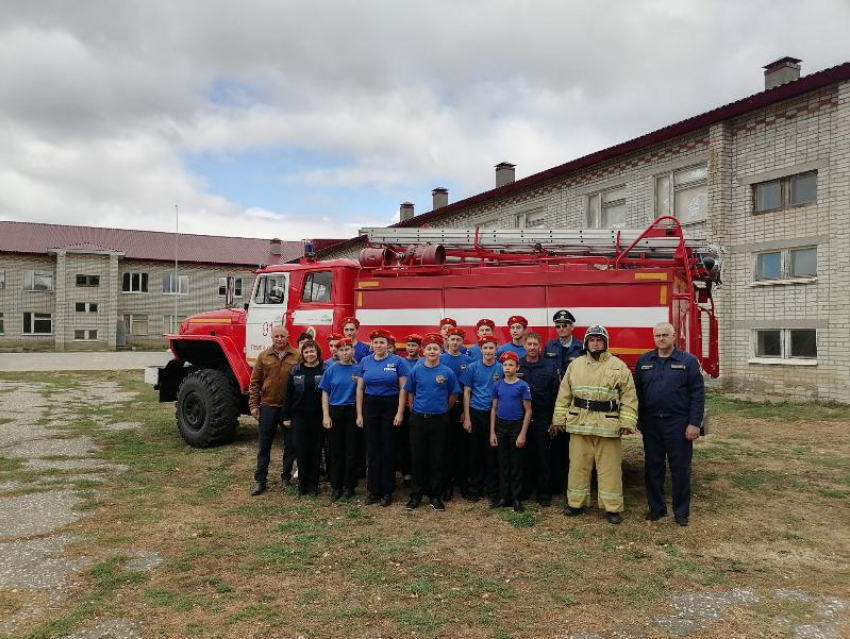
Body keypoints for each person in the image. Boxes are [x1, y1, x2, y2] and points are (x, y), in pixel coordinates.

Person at [552, 325, 638, 524]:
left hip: (607, 427)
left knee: (610, 469)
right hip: (579, 424)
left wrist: (627, 421)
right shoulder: (576, 365)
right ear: (586, 343)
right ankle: (575, 503)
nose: (595, 343)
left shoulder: (618, 366)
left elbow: (629, 396)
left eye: (599, 340)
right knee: (577, 467)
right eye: (592, 340)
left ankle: (612, 508)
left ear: (605, 343)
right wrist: (558, 420)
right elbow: (564, 394)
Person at [634, 322, 705, 527]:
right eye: (658, 335)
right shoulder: (644, 361)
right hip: (652, 423)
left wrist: (694, 423)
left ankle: (681, 512)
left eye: (666, 335)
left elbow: (697, 395)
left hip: (679, 423)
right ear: (653, 338)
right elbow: (637, 393)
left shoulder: (688, 361)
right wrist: (638, 419)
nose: (662, 338)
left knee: (680, 469)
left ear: (674, 337)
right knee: (653, 468)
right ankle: (656, 509)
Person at [404, 333, 461, 511]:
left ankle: (435, 496)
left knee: (437, 459)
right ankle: (416, 495)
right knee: (418, 458)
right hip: (419, 419)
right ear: (424, 350)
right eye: (429, 348)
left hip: (439, 419)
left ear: (440, 350)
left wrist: (444, 409)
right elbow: (410, 392)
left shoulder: (447, 372)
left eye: (435, 348)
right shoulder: (416, 370)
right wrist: (414, 409)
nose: (432, 351)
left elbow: (453, 395)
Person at [356, 328, 410, 506]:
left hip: (390, 405)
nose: (379, 345)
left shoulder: (397, 361)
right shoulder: (365, 361)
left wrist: (400, 412)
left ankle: (387, 491)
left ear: (388, 345)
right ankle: (373, 490)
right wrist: (359, 413)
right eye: (376, 342)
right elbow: (360, 389)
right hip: (370, 406)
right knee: (372, 449)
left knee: (388, 449)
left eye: (382, 342)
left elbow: (403, 388)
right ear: (372, 345)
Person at [248, 325, 300, 496]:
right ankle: (260, 480)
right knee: (264, 445)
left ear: (288, 337)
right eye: (276, 336)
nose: (279, 339)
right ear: (272, 337)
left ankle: (286, 477)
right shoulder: (264, 357)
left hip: (289, 408)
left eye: (282, 336)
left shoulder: (297, 356)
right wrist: (254, 406)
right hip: (268, 406)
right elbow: (255, 382)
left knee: (291, 445)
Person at [544, 309, 583, 499]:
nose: (561, 328)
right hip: (555, 400)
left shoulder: (582, 347)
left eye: (565, 325)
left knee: (574, 445)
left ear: (571, 327)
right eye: (558, 326)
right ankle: (556, 484)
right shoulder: (549, 346)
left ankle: (573, 483)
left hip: (576, 402)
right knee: (557, 444)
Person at [518, 331, 561, 507]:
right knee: (524, 455)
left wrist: (555, 419)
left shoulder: (549, 366)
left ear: (540, 346)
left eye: (536, 344)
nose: (533, 348)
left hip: (543, 417)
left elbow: (557, 394)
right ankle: (526, 489)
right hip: (520, 418)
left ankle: (544, 492)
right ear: (524, 346)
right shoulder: (518, 365)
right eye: (529, 344)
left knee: (543, 456)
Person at [461, 334, 502, 501]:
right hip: (476, 413)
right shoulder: (472, 368)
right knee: (475, 452)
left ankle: (492, 488)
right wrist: (467, 418)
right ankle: (475, 487)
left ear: (496, 349)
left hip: (495, 415)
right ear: (481, 350)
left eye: (491, 347)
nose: (488, 350)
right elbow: (466, 392)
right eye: (485, 348)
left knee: (493, 452)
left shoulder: (501, 368)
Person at [283, 339, 326, 496]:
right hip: (299, 417)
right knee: (301, 451)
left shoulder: (325, 370)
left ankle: (313, 486)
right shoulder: (296, 371)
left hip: (318, 417)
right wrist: (286, 416)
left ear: (317, 353)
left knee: (315, 452)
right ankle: (302, 486)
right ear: (303, 354)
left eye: (312, 351)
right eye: (306, 352)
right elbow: (288, 395)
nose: (310, 354)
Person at [320, 337, 361, 502]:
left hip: (351, 412)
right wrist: (326, 415)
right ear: (336, 352)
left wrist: (359, 415)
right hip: (335, 412)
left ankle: (349, 486)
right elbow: (325, 393)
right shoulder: (331, 370)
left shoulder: (358, 370)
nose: (345, 352)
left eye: (348, 349)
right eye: (342, 350)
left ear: (353, 351)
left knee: (351, 451)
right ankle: (336, 486)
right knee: (335, 451)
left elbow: (361, 393)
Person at [490, 351, 531, 513]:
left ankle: (516, 498)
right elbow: (493, 408)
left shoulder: (522, 386)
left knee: (516, 463)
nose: (507, 368)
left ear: (517, 367)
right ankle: (503, 497)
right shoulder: (497, 385)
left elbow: (528, 410)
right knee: (503, 462)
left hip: (516, 426)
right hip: (501, 425)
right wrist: (492, 432)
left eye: (511, 365)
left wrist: (522, 433)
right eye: (505, 365)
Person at [439, 326, 472, 500]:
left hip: (461, 406)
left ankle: (463, 484)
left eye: (458, 340)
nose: (455, 342)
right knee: (445, 446)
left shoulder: (468, 360)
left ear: (462, 342)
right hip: (443, 406)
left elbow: (468, 388)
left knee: (462, 447)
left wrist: (465, 413)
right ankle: (446, 485)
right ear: (447, 340)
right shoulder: (441, 358)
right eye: (452, 339)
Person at [397, 333, 423, 486]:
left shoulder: (423, 362)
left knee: (417, 442)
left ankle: (417, 472)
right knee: (404, 441)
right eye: (409, 345)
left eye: (414, 345)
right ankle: (406, 472)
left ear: (420, 347)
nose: (411, 348)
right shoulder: (400, 362)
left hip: (418, 408)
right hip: (404, 408)